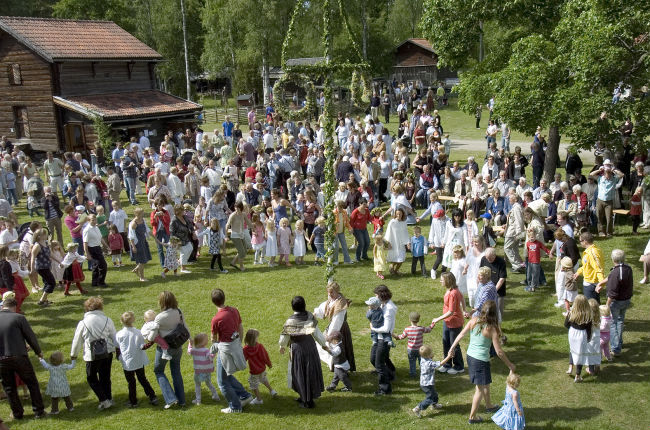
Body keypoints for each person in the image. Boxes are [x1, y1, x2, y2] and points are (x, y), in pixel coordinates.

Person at [446, 301, 516, 424]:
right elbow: (499, 352)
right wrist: (510, 365)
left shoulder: (473, 320)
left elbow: (461, 334)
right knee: (479, 389)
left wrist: (452, 347)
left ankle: (489, 405)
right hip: (480, 361)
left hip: (471, 357)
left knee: (485, 383)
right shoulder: (492, 328)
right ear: (494, 314)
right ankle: (472, 417)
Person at [0, 297, 46, 419]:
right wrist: (38, 352)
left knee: (9, 387)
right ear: (14, 307)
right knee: (32, 383)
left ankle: (17, 413)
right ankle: (39, 411)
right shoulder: (19, 318)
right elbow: (30, 336)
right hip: (19, 356)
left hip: (1, 360)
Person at [279, 296, 327, 408]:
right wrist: (323, 344)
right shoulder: (310, 316)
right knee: (309, 372)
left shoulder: (290, 321)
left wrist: (282, 346)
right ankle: (304, 396)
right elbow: (317, 333)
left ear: (293, 307)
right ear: (304, 305)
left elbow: (284, 337)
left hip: (298, 349)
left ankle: (308, 402)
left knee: (300, 373)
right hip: (310, 347)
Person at [70, 296, 117, 410]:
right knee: (105, 376)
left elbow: (77, 340)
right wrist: (118, 349)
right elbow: (114, 337)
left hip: (92, 355)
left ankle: (104, 400)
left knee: (91, 378)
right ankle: (108, 398)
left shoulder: (83, 323)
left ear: (87, 308)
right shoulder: (107, 319)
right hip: (107, 352)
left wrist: (73, 355)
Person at [210, 288, 252, 413]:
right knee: (226, 375)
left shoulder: (216, 319)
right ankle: (245, 395)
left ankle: (235, 407)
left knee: (221, 381)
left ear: (213, 302)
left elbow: (214, 338)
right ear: (224, 298)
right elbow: (240, 327)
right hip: (236, 344)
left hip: (225, 350)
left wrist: (214, 346)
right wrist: (239, 342)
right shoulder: (234, 310)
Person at [149, 291, 189, 409]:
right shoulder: (179, 311)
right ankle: (182, 400)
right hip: (178, 346)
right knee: (176, 371)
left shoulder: (160, 317)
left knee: (159, 371)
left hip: (165, 349)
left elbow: (151, 337)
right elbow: (185, 327)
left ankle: (170, 398)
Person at [115, 311, 158, 408]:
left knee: (131, 382)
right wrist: (151, 342)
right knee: (142, 379)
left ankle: (133, 401)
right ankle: (152, 396)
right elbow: (142, 346)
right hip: (138, 360)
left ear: (121, 321)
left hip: (127, 362)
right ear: (133, 320)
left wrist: (118, 356)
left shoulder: (119, 334)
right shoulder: (138, 333)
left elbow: (117, 347)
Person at [595, 249, 632, 356]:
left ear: (613, 259)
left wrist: (607, 306)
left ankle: (616, 348)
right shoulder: (627, 268)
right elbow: (611, 276)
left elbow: (612, 293)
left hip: (616, 302)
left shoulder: (616, 272)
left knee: (612, 324)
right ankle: (619, 342)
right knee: (620, 321)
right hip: (626, 300)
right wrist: (601, 283)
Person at [313, 281, 356, 372]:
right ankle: (335, 367)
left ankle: (341, 369)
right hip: (333, 326)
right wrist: (316, 313)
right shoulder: (332, 299)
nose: (329, 294)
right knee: (324, 344)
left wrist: (330, 335)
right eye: (328, 292)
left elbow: (337, 321)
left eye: (331, 292)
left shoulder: (340, 304)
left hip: (339, 329)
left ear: (337, 291)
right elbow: (324, 306)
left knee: (336, 347)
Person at [431, 272, 466, 374]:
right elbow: (462, 298)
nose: (440, 281)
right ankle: (447, 364)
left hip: (454, 322)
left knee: (453, 345)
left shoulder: (453, 293)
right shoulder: (451, 290)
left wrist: (437, 319)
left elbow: (451, 312)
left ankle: (459, 366)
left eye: (442, 279)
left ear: (447, 280)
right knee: (445, 342)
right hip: (447, 321)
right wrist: (464, 310)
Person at [410, 344, 451, 418]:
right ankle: (418, 408)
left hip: (424, 382)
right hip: (427, 384)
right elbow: (440, 364)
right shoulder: (429, 363)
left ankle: (434, 405)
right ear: (428, 355)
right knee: (430, 398)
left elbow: (428, 358)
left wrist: (429, 356)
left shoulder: (422, 359)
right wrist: (448, 356)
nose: (432, 354)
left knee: (434, 394)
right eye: (431, 353)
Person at [370, 285, 397, 395]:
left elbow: (386, 328)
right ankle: (390, 373)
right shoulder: (383, 304)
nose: (375, 297)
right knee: (373, 359)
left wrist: (373, 328)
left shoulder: (389, 309)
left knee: (379, 364)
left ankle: (385, 389)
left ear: (381, 295)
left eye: (376, 295)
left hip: (384, 339)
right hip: (379, 338)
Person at [393, 311, 432, 378]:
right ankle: (423, 372)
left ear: (409, 320)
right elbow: (429, 330)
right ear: (418, 320)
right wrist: (432, 324)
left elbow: (401, 337)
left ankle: (412, 374)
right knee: (421, 362)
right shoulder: (421, 328)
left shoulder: (407, 329)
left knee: (412, 362)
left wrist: (394, 336)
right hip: (420, 350)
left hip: (410, 350)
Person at [243, 329, 276, 404]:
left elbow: (243, 359)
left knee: (253, 384)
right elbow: (265, 356)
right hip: (262, 369)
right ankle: (272, 391)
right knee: (263, 379)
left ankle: (259, 399)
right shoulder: (260, 346)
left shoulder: (245, 349)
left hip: (254, 371)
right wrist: (269, 364)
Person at [565, 295, 593, 382]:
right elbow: (589, 329)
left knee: (572, 349)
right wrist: (588, 338)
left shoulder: (571, 313)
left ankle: (570, 367)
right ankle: (578, 375)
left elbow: (566, 325)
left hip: (572, 333)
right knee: (580, 354)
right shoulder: (588, 315)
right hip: (582, 335)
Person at [187, 333, 220, 405]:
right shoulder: (206, 350)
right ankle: (216, 395)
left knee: (197, 385)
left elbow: (189, 351)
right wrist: (214, 352)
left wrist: (190, 343)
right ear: (202, 342)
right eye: (206, 340)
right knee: (208, 383)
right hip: (207, 371)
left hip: (198, 371)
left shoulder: (194, 350)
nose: (207, 341)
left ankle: (198, 400)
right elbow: (211, 357)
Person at [574, 232, 605, 303]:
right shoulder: (589, 251)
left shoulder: (592, 253)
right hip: (589, 281)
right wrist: (579, 272)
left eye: (580, 241)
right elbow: (586, 265)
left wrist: (601, 283)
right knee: (595, 304)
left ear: (585, 241)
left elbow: (599, 268)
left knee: (591, 306)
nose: (580, 243)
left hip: (591, 283)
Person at [128, 208, 154, 282]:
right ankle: (142, 278)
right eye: (141, 213)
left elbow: (148, 230)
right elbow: (131, 236)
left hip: (143, 242)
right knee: (142, 260)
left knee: (144, 259)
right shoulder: (133, 224)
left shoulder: (142, 220)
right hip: (137, 243)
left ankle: (136, 269)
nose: (143, 214)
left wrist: (155, 238)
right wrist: (133, 246)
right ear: (137, 214)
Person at [83, 214, 108, 287]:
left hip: (98, 247)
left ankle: (94, 282)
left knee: (96, 266)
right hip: (92, 249)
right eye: (92, 220)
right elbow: (85, 243)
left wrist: (107, 246)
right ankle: (101, 282)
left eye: (95, 220)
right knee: (103, 265)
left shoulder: (96, 227)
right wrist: (87, 253)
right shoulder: (87, 230)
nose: (94, 221)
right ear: (88, 221)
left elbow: (100, 238)